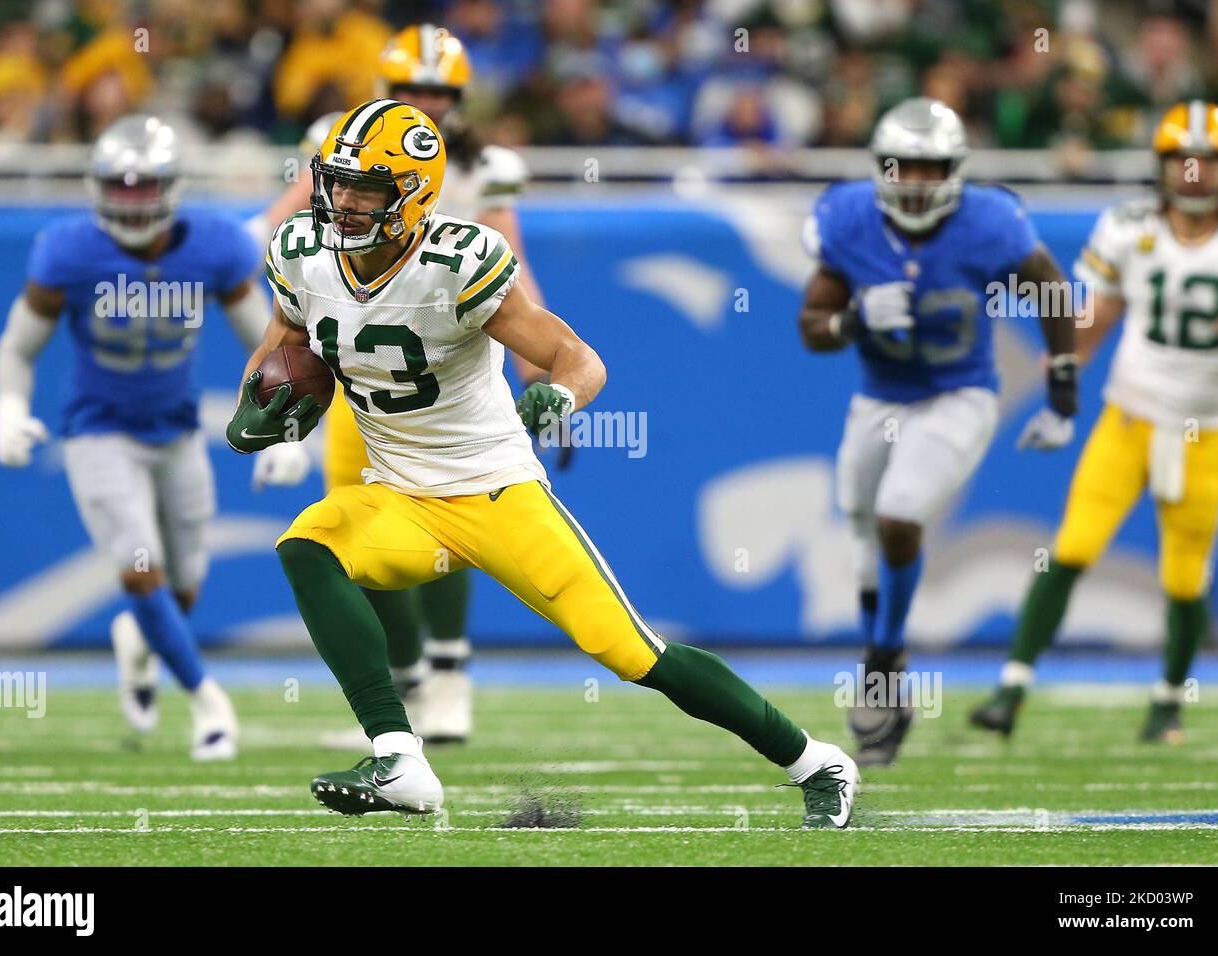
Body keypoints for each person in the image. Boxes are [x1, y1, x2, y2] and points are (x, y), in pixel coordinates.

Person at [227, 99, 859, 827]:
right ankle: (401, 757)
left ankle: (817, 762)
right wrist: (261, 402)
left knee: (631, 653)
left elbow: (576, 358)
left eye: (368, 188)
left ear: (415, 194)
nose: (345, 202)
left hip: (496, 493)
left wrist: (556, 398)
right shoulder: (302, 251)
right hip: (398, 496)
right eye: (336, 183)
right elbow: (285, 336)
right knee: (308, 546)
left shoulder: (455, 263)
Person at [248, 24, 549, 745]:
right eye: (411, 89)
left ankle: (448, 678)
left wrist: (542, 364)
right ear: (383, 90)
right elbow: (279, 228)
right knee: (358, 528)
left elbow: (513, 261)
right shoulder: (340, 142)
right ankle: (407, 688)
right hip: (362, 361)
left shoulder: (482, 165)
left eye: (439, 92)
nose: (426, 102)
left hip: (449, 361)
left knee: (455, 510)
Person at [798, 97, 1080, 766]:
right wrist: (855, 321)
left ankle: (883, 661)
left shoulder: (990, 223)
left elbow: (1050, 288)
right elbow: (813, 327)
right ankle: (887, 679)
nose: (917, 182)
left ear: (953, 170)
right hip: (879, 398)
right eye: (904, 168)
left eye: (931, 169)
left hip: (959, 395)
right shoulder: (847, 219)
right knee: (865, 537)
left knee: (900, 516)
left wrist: (1062, 384)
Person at [0, 115, 279, 758]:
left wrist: (282, 429)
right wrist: (8, 408)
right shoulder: (67, 250)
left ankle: (139, 640)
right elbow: (18, 345)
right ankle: (210, 704)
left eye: (142, 187)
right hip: (99, 432)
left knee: (183, 583)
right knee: (140, 567)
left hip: (175, 432)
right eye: (117, 187)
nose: (130, 200)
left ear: (171, 187)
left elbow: (268, 346)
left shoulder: (214, 245)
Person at [971, 102, 1218, 743]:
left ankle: (1168, 703)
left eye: (1209, 161)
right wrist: (1066, 359)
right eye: (1184, 159)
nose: (1196, 173)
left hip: (1208, 425)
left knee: (1184, 574)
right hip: (1132, 412)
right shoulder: (1128, 227)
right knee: (1072, 547)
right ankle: (1011, 690)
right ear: (1163, 165)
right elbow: (1102, 314)